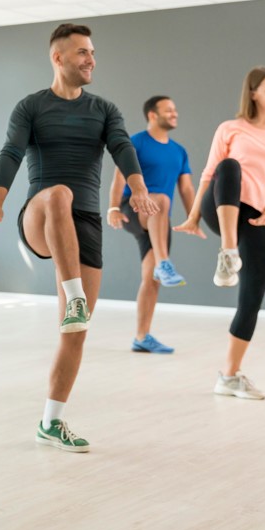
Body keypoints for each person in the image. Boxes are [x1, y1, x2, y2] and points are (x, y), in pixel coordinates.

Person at [0, 23, 158, 452]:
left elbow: (122, 147)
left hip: (85, 224)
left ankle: (50, 422)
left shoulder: (104, 109)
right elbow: (11, 152)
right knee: (59, 192)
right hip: (41, 215)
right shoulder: (31, 106)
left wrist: (139, 187)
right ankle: (71, 295)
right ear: (58, 58)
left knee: (75, 333)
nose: (90, 59)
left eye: (92, 52)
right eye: (81, 53)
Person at [174, 66, 265, 400]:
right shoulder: (231, 128)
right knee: (228, 166)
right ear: (254, 94)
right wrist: (192, 217)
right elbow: (208, 174)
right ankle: (228, 253)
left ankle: (229, 376)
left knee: (251, 301)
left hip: (260, 216)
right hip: (221, 207)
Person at [106, 95, 195, 354]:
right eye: (169, 110)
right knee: (159, 198)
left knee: (151, 280)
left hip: (159, 220)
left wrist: (193, 218)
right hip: (132, 209)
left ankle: (142, 337)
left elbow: (187, 188)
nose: (174, 113)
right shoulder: (135, 143)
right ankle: (164, 263)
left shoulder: (179, 151)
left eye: (175, 109)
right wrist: (113, 208)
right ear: (152, 115)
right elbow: (119, 178)